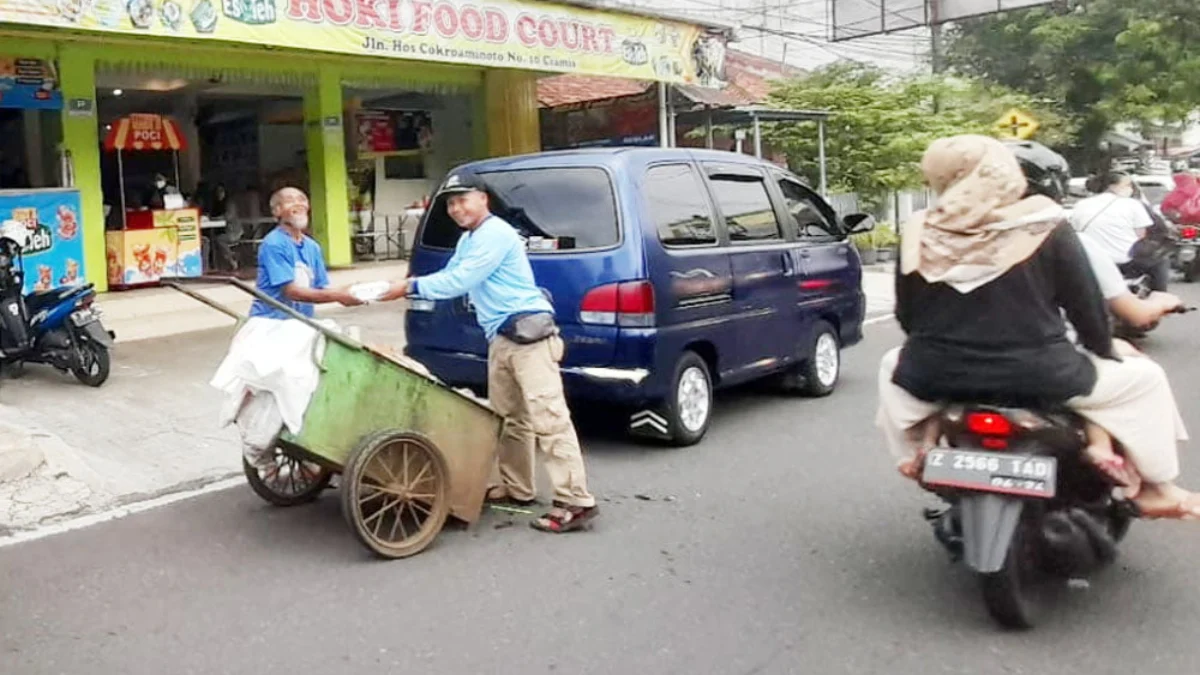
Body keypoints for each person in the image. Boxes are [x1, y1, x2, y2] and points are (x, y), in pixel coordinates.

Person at [876, 134, 1200, 520]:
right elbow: (1087, 312)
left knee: (890, 366)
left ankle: (917, 453)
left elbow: (909, 317)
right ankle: (1156, 487)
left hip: (937, 375)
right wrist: (1106, 351)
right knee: (1145, 378)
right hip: (1042, 375)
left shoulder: (919, 229)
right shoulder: (1045, 224)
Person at [381, 170, 598, 533]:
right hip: (501, 336)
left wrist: (404, 286)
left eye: (463, 200)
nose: (456, 208)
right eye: (450, 203)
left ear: (484, 199)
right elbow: (453, 277)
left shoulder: (495, 233)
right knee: (509, 418)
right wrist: (408, 287)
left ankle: (575, 500)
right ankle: (517, 488)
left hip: (529, 334)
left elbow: (459, 281)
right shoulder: (469, 239)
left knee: (549, 418)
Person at [250, 187, 362, 318]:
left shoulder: (312, 246)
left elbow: (320, 289)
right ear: (277, 211)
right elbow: (292, 292)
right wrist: (338, 295)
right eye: (290, 200)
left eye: (302, 200)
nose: (299, 204)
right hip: (270, 323)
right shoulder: (274, 243)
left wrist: (351, 291)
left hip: (301, 323)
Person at [1069, 172, 1169, 291]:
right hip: (1126, 263)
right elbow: (1141, 236)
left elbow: (1076, 231)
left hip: (1093, 263)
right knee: (1161, 259)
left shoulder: (1081, 205)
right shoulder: (1133, 204)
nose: (1131, 188)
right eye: (1128, 185)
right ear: (1112, 186)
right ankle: (1161, 297)